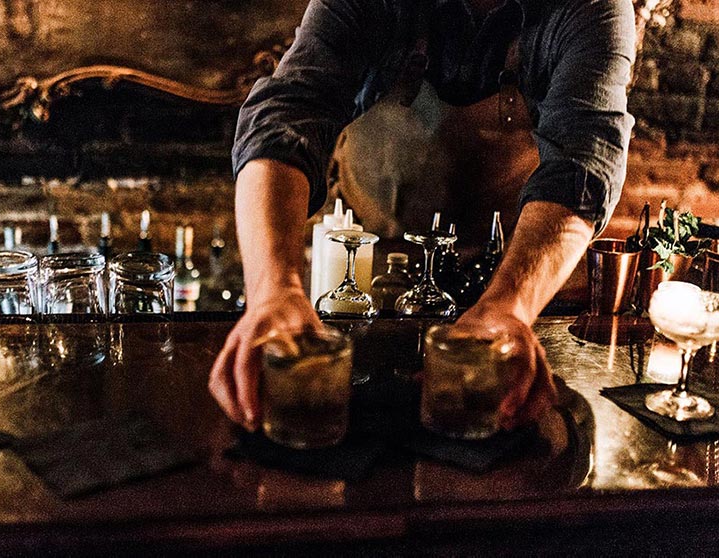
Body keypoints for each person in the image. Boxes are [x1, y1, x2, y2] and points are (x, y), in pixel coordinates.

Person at [209, 0, 636, 431]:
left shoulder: (593, 9)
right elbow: (287, 116)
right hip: (361, 284)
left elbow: (581, 165)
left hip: (509, 292)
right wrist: (274, 289)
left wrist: (510, 307)